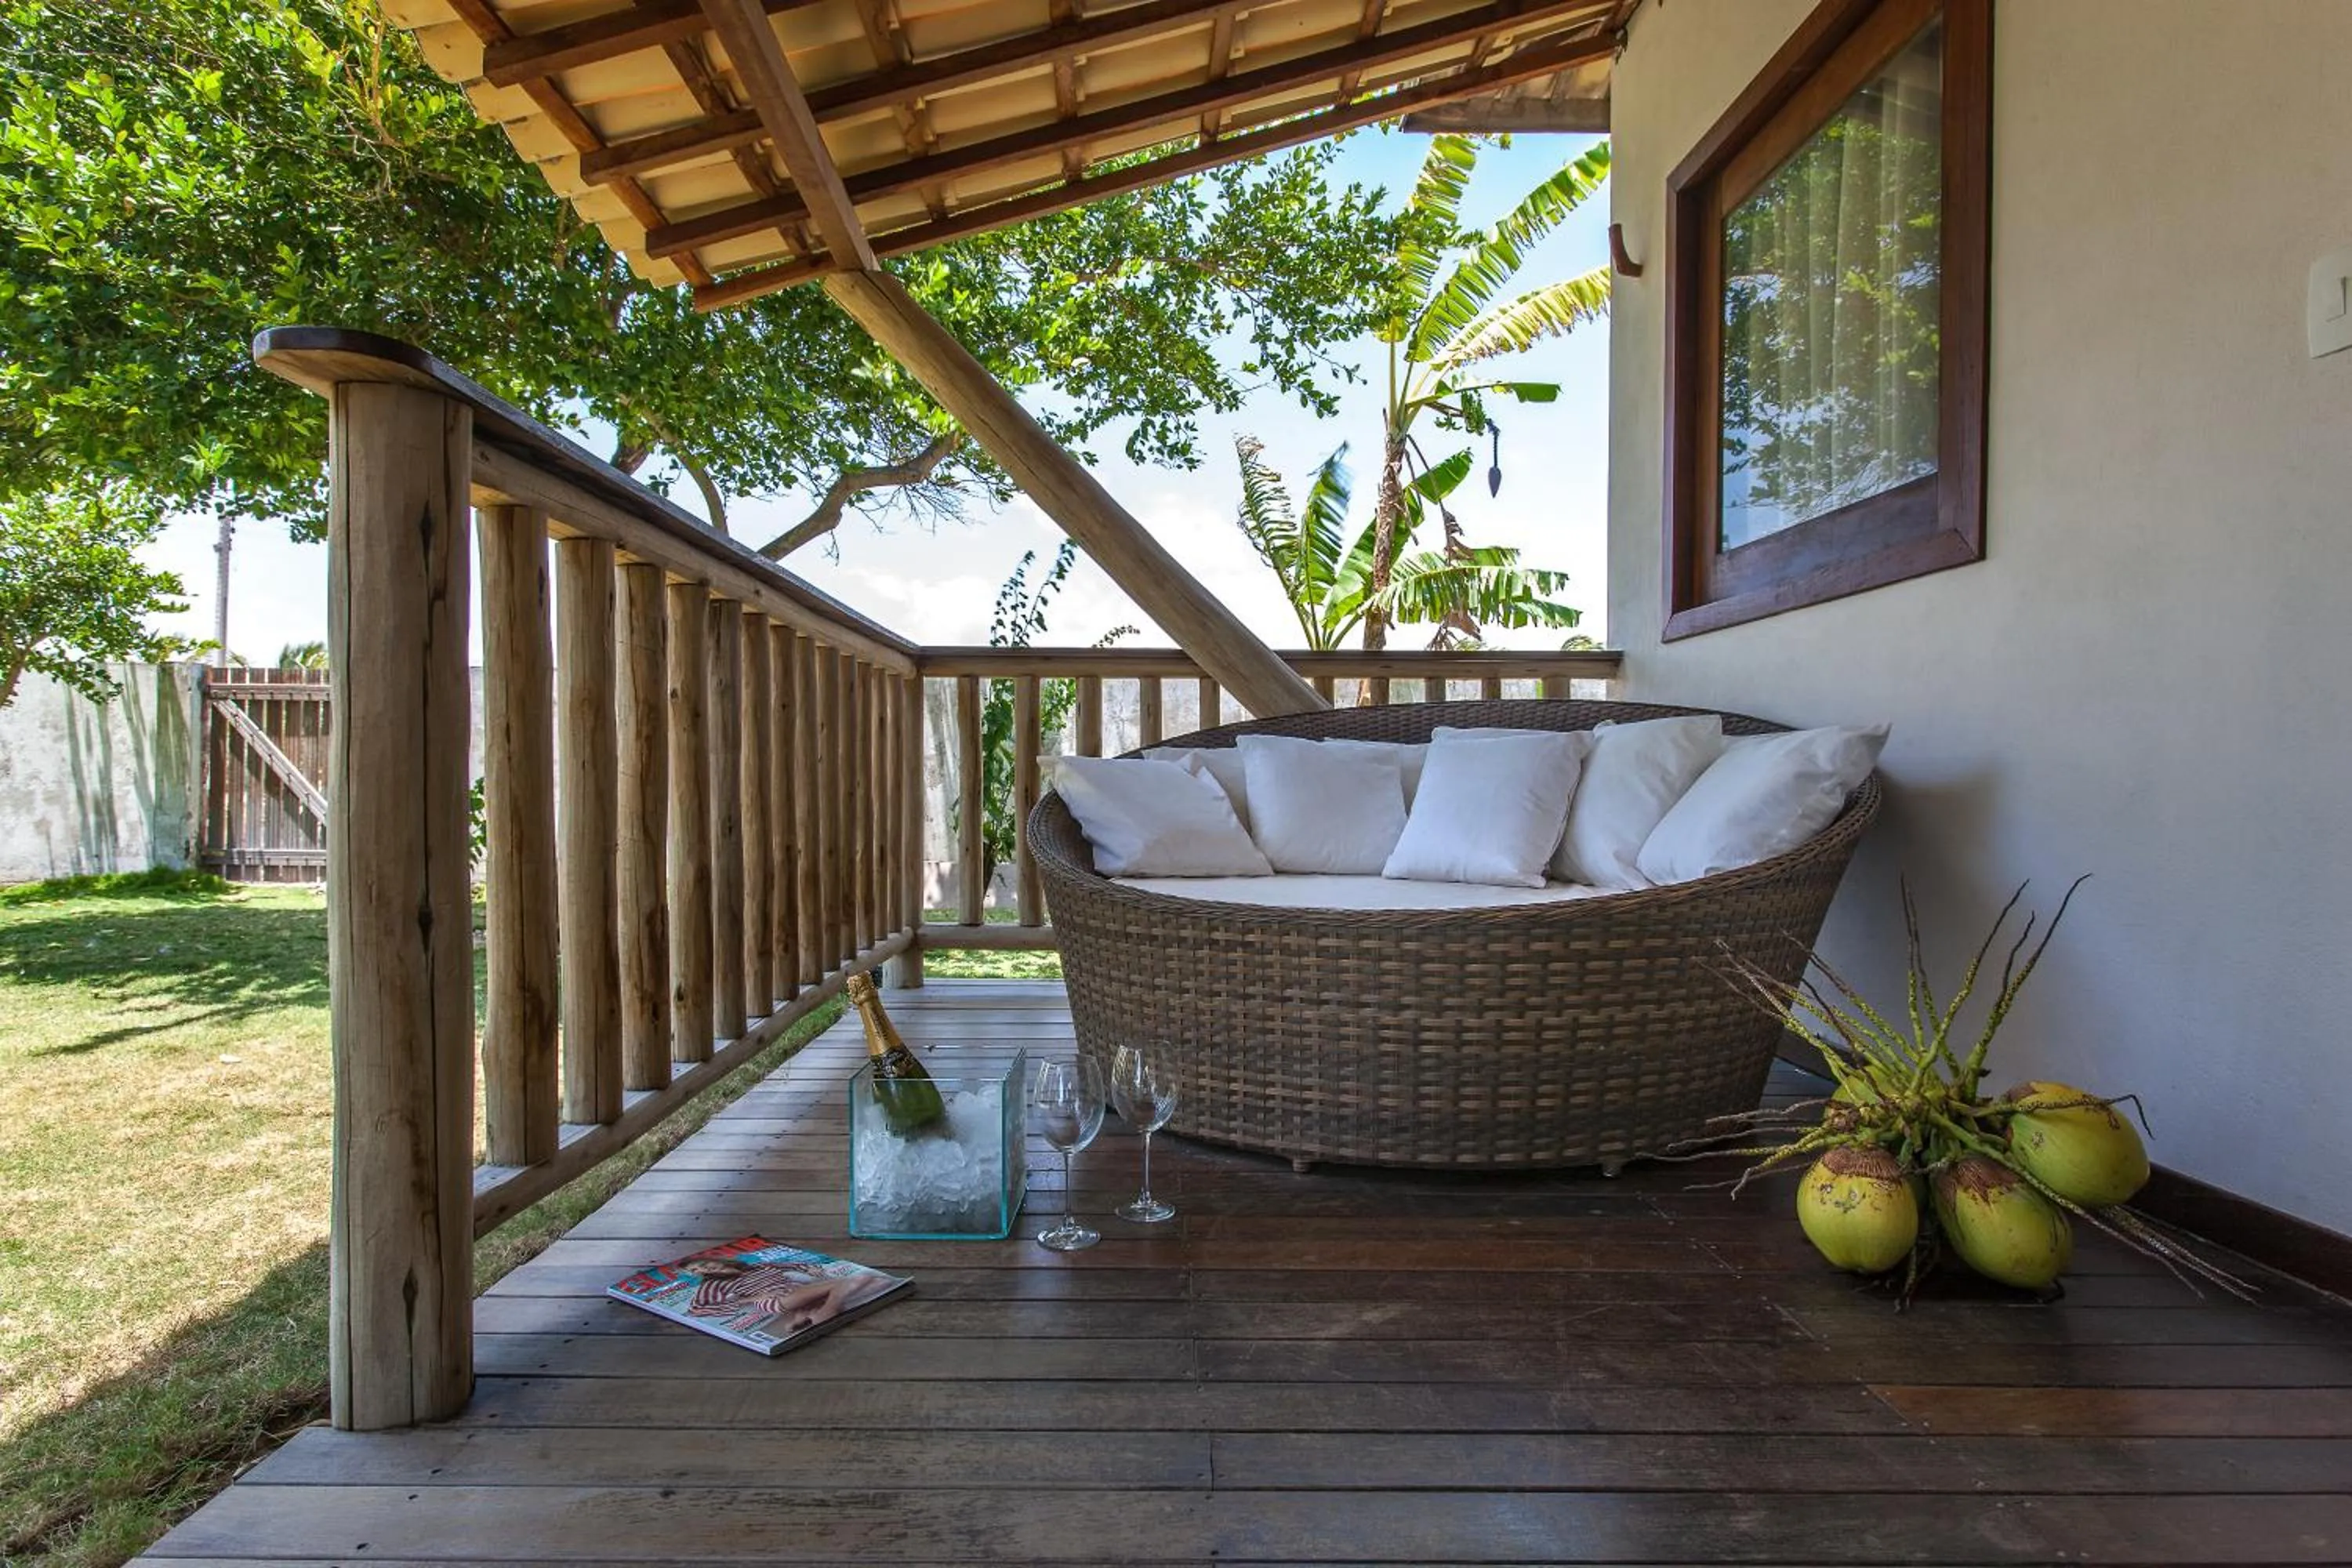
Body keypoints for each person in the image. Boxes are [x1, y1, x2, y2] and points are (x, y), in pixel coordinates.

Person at [684, 1251, 891, 1338]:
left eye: (702, 1264)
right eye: (695, 1271)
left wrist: (808, 1269)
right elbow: (696, 1309)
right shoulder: (712, 1285)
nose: (702, 1269)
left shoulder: (754, 1267)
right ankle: (828, 1311)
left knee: (883, 1282)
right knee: (858, 1280)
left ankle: (803, 1318)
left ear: (716, 1260)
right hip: (776, 1300)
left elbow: (789, 1264)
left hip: (795, 1290)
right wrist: (751, 1299)